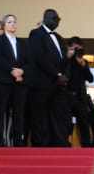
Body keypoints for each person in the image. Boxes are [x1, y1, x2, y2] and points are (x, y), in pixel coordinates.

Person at [25, 9, 69, 147]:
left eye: (58, 19)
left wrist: (64, 76)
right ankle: (41, 145)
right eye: (54, 18)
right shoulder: (36, 34)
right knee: (40, 115)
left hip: (58, 85)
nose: (57, 21)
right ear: (45, 18)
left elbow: (64, 60)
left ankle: (57, 143)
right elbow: (39, 57)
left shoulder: (60, 38)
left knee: (57, 115)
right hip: (41, 83)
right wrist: (56, 74)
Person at [0, 14, 27, 147]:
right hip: (2, 81)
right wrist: (13, 70)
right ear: (4, 25)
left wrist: (21, 71)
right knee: (0, 112)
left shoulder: (22, 43)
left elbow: (28, 61)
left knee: (18, 112)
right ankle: (0, 142)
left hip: (19, 82)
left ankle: (18, 142)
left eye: (14, 22)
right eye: (10, 22)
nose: (13, 24)